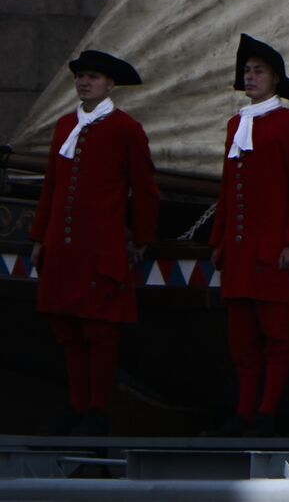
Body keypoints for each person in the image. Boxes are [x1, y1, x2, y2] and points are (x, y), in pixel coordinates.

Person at [29, 50, 160, 436]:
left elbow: (145, 189)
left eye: (93, 77)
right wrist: (39, 237)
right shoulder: (65, 126)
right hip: (63, 247)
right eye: (81, 77)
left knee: (99, 332)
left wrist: (141, 236)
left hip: (100, 245)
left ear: (109, 84)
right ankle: (77, 404)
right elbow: (51, 186)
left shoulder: (125, 129)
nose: (85, 83)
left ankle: (97, 410)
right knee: (67, 329)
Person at [207, 34, 289, 437]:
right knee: (241, 340)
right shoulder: (237, 124)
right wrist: (219, 240)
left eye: (259, 72)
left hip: (272, 251)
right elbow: (227, 189)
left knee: (278, 336)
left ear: (275, 79)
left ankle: (267, 412)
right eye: (247, 71)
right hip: (238, 250)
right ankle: (245, 411)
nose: (250, 77)